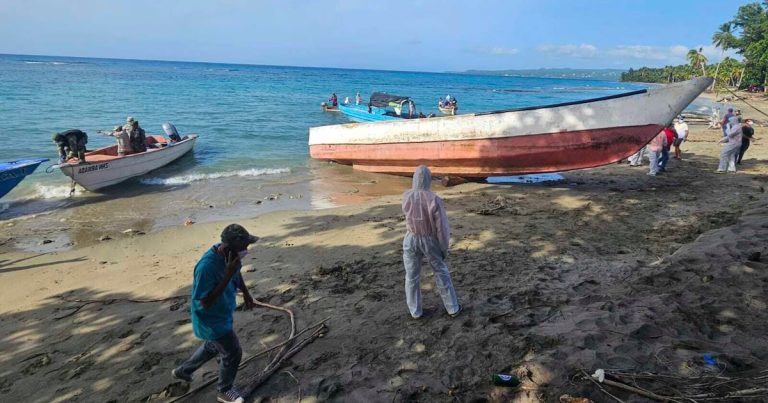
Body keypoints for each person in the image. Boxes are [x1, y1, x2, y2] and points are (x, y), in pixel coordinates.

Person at [172, 224, 259, 403]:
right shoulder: (206, 267)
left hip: (223, 311)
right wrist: (226, 275)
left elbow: (237, 273)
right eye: (243, 247)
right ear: (228, 246)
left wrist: (247, 294)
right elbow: (205, 302)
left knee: (213, 346)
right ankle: (224, 390)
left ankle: (184, 371)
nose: (246, 251)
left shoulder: (231, 257)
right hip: (209, 319)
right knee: (233, 351)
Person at [401, 165, 461, 319]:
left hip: (411, 237)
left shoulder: (406, 196)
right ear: (428, 179)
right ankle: (452, 308)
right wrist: (443, 248)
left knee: (411, 275)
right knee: (441, 271)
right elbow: (442, 227)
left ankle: (415, 311)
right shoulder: (434, 199)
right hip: (429, 239)